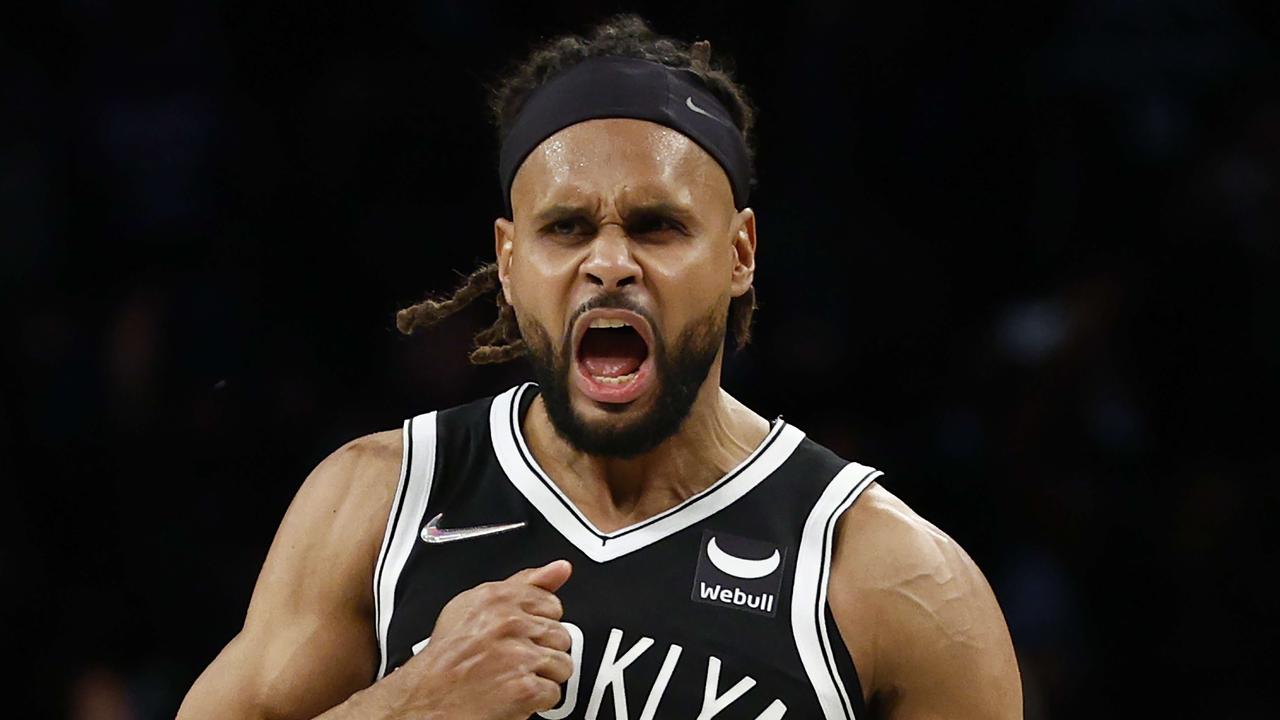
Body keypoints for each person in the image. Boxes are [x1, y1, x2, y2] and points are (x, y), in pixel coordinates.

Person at [177, 14, 1022, 720]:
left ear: (739, 254)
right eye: (567, 229)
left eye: (657, 226)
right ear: (508, 261)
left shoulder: (889, 573)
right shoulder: (378, 500)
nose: (610, 262)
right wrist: (410, 706)